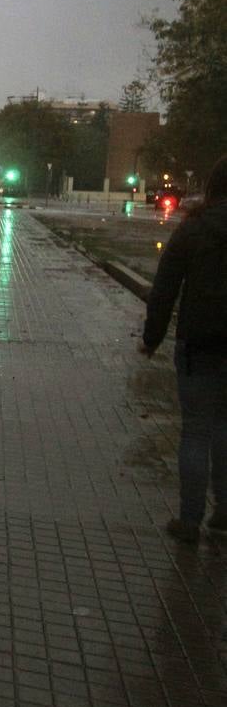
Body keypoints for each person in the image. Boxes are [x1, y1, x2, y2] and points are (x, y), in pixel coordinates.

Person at [141, 154, 227, 544]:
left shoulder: (194, 230)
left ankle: (189, 521)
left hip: (200, 343)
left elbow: (165, 287)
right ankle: (223, 514)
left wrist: (151, 338)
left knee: (196, 430)